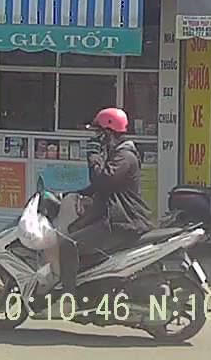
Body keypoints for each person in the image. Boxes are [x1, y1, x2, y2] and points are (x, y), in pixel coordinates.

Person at [58, 107, 154, 293]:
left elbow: (103, 180)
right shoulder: (117, 153)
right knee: (74, 230)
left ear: (108, 133)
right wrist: (70, 194)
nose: (96, 138)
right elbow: (100, 187)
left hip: (122, 222)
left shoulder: (125, 156)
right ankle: (92, 288)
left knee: (68, 245)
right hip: (114, 219)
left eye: (98, 133)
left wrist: (93, 158)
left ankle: (68, 296)